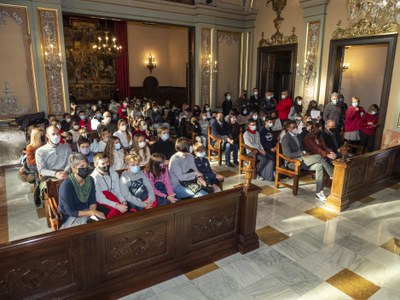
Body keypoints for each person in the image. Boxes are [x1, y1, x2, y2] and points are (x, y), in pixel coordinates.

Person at [280, 120, 333, 202]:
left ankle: (319, 193)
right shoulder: (285, 139)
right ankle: (332, 174)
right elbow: (288, 155)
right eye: (293, 128)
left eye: (296, 127)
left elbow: (302, 148)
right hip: (293, 162)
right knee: (319, 157)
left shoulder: (298, 136)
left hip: (303, 160)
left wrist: (305, 152)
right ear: (288, 129)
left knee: (319, 166)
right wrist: (301, 153)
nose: (296, 129)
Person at [59, 153, 104, 229]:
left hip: (87, 210)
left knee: (101, 224)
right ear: (74, 169)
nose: (86, 168)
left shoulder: (90, 180)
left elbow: (92, 201)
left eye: (86, 166)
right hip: (70, 217)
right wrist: (92, 212)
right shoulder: (66, 186)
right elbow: (71, 212)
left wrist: (92, 214)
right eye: (82, 166)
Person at [91, 153, 128, 219]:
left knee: (126, 208)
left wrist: (123, 201)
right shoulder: (94, 178)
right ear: (96, 165)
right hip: (101, 201)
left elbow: (117, 190)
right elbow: (100, 198)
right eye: (103, 164)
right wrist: (116, 205)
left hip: (114, 198)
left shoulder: (114, 173)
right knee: (115, 214)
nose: (106, 165)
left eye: (107, 162)